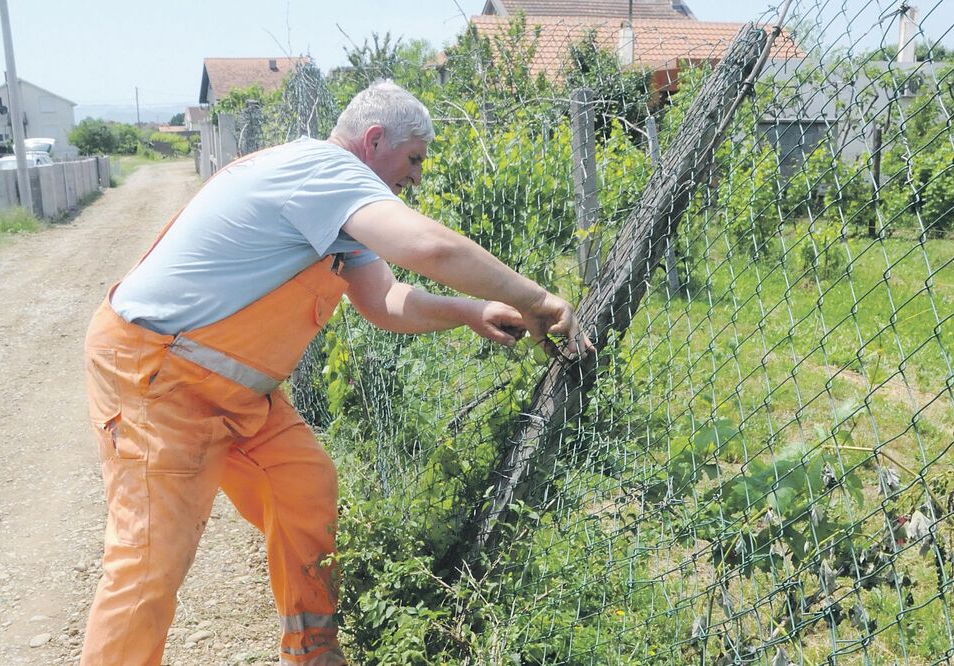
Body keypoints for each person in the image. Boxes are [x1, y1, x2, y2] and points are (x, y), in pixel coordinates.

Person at [80, 80, 589, 665]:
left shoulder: (336, 202)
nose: (417, 176)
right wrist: (540, 301)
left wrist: (470, 311)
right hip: (157, 376)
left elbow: (384, 301)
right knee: (148, 563)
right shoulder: (323, 171)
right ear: (374, 141)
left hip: (235, 390)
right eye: (414, 159)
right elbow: (429, 248)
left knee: (305, 489)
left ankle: (312, 653)